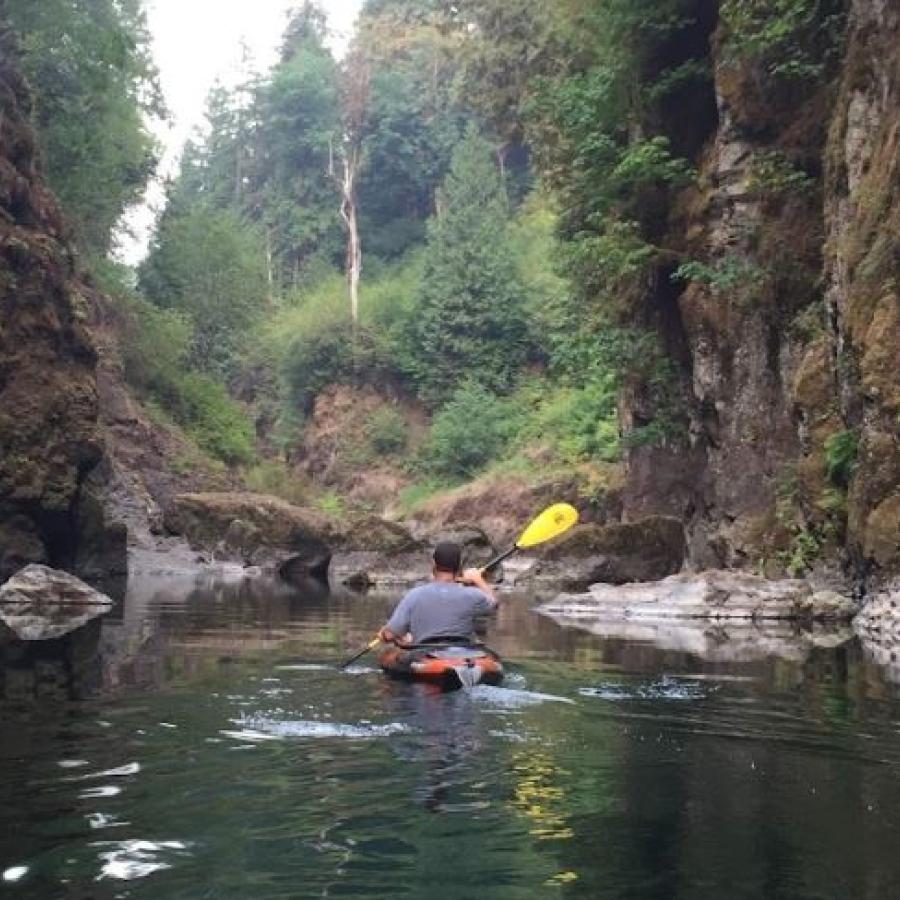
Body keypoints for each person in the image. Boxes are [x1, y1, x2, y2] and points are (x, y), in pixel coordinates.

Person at [379, 541, 497, 646]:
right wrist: (478, 579)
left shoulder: (414, 595)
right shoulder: (473, 595)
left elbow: (390, 634)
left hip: (425, 652)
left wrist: (384, 634)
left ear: (434, 566)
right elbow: (493, 602)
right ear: (458, 568)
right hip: (462, 654)